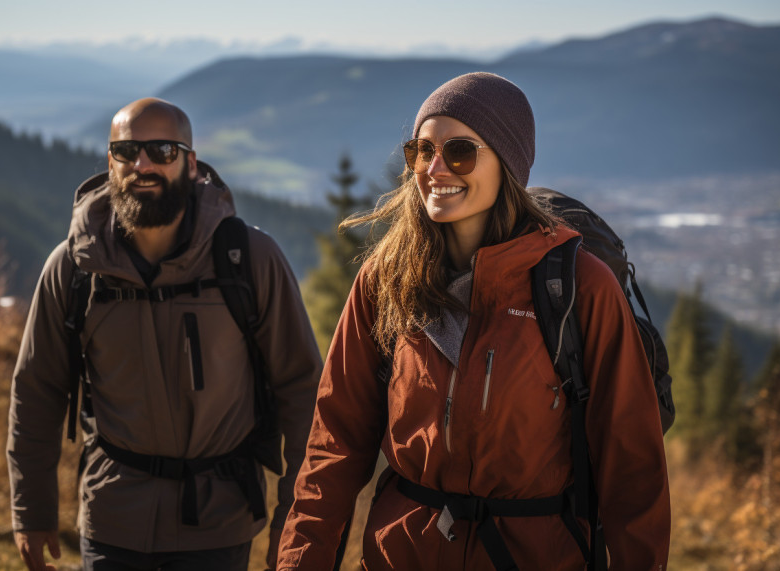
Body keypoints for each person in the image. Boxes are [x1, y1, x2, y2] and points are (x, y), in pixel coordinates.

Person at [277, 72, 671, 569]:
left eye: (460, 151)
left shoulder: (577, 287)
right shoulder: (386, 279)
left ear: (507, 163)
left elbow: (632, 468)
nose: (435, 168)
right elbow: (334, 444)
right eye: (422, 150)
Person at [7, 98, 322, 571]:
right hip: (112, 518)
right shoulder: (75, 268)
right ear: (110, 161)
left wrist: (296, 522)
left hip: (218, 523)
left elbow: (303, 390)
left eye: (162, 150)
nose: (142, 164)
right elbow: (37, 390)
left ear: (192, 164)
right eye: (126, 151)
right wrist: (31, 509)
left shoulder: (248, 260)